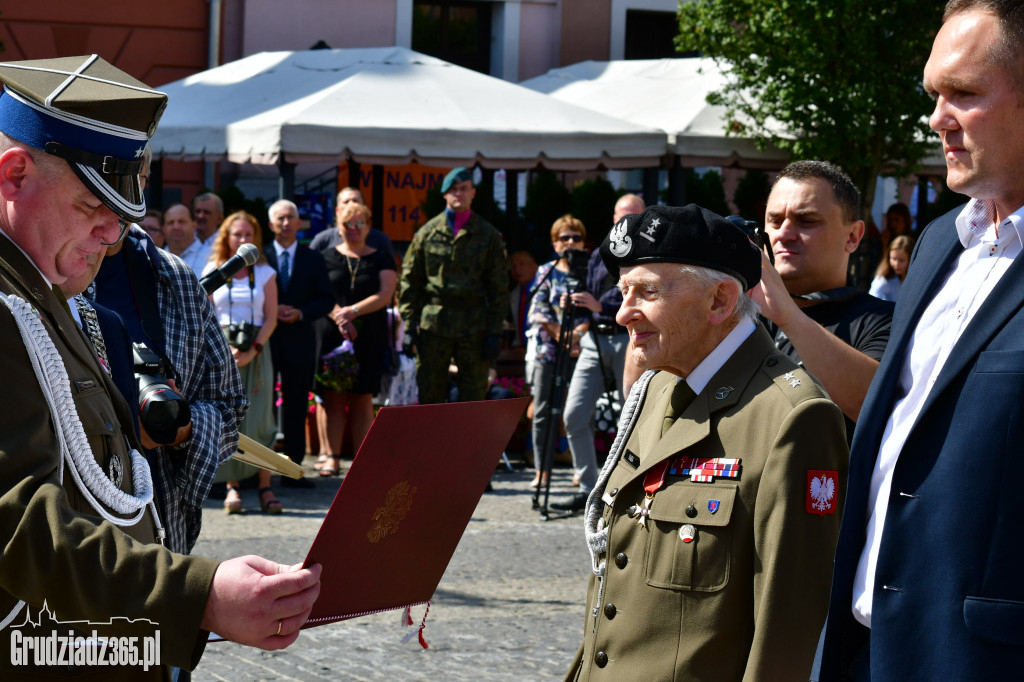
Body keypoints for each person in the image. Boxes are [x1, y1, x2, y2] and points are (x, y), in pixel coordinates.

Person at [0, 54, 318, 677]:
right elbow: (16, 525)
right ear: (15, 175)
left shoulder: (48, 297)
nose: (111, 239)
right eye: (94, 210)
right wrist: (197, 595)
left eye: (122, 221)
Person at [820, 3, 1024, 678]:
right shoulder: (940, 242)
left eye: (963, 94)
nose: (937, 119)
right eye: (934, 94)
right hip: (864, 647)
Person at [565, 204, 848, 681]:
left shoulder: (792, 418)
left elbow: (788, 628)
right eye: (623, 292)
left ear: (719, 301)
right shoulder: (658, 387)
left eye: (647, 292)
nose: (622, 314)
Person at [85, 146, 248, 554]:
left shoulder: (173, 277)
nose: (117, 194)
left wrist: (179, 425)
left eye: (131, 177)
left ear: (144, 182)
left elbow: (230, 406)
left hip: (163, 524)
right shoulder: (44, 274)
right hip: (76, 528)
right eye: (101, 179)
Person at [751, 160, 894, 435]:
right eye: (775, 221)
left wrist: (788, 314)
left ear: (852, 236)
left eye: (806, 221)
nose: (784, 234)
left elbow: (877, 405)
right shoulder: (736, 314)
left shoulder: (886, 320)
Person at [553, 193, 644, 512]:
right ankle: (590, 489)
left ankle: (625, 487)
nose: (626, 223)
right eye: (621, 216)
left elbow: (642, 292)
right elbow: (590, 292)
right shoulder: (601, 252)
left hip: (629, 338)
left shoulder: (648, 251)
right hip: (595, 338)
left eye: (633, 216)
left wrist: (601, 304)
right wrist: (576, 304)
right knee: (574, 414)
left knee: (631, 416)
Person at [399, 166, 509, 404]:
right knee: (430, 394)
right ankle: (432, 442)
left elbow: (499, 286)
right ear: (445, 195)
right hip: (434, 325)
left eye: (464, 189)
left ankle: (470, 443)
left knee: (474, 396)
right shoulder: (426, 234)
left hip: (474, 325)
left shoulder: (488, 235)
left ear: (473, 193)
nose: (459, 194)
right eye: (454, 190)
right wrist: (408, 327)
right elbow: (410, 282)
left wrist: (494, 331)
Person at [205, 211, 281, 514]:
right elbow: (207, 317)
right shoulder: (214, 269)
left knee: (261, 417)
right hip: (223, 350)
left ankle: (265, 486)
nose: (243, 240)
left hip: (258, 351)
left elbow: (271, 317)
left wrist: (254, 349)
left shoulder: (265, 273)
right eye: (237, 234)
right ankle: (232, 487)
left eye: (248, 235)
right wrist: (225, 351)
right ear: (227, 238)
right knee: (228, 418)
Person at [317, 202, 397, 476]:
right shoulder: (325, 256)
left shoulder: (382, 257)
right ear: (339, 227)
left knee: (363, 399)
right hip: (332, 334)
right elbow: (319, 294)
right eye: (348, 225)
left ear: (368, 226)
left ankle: (361, 461)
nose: (353, 230)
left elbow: (386, 294)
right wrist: (339, 315)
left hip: (368, 335)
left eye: (359, 223)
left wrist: (353, 311)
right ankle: (332, 457)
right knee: (333, 398)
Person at [264, 199, 333, 489]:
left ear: (299, 223)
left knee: (295, 407)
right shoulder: (261, 256)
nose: (286, 223)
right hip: (266, 342)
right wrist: (273, 310)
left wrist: (300, 312)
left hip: (301, 342)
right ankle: (261, 472)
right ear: (270, 225)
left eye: (291, 217)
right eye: (280, 218)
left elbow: (326, 299)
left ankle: (293, 469)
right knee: (263, 406)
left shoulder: (313, 259)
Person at [525, 216, 588, 489]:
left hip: (580, 348)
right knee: (542, 411)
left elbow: (594, 310)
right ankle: (542, 470)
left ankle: (582, 470)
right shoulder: (545, 271)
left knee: (578, 410)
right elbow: (539, 310)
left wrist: (576, 335)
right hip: (548, 351)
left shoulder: (588, 272)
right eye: (565, 238)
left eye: (576, 237)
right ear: (555, 243)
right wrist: (562, 337)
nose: (571, 242)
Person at [309, 186, 396, 263]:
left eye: (355, 200)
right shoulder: (323, 240)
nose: (351, 204)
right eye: (346, 202)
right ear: (337, 211)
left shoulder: (380, 240)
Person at [163, 201, 211, 276]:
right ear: (163, 228)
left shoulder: (211, 256)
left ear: (194, 224)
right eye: (171, 222)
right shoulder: (155, 258)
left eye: (181, 222)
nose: (176, 227)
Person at [868, 234, 915, 302]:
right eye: (894, 259)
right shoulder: (883, 279)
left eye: (901, 260)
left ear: (911, 259)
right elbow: (872, 301)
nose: (896, 264)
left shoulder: (915, 280)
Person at [508, 249, 539, 349]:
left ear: (534, 266)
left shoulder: (544, 290)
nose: (517, 270)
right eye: (514, 266)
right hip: (520, 349)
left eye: (522, 265)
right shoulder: (514, 294)